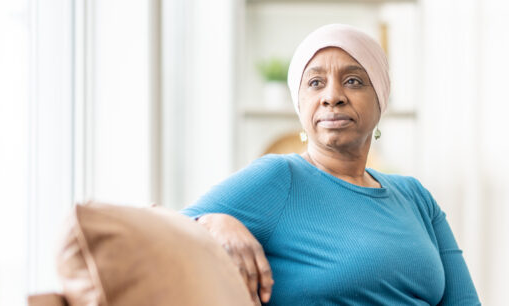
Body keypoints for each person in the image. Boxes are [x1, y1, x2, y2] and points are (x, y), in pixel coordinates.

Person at [180, 24, 481, 305]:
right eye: (315, 83)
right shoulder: (279, 178)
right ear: (300, 105)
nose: (332, 97)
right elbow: (160, 229)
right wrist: (212, 222)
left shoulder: (415, 196)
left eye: (353, 81)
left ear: (381, 98)